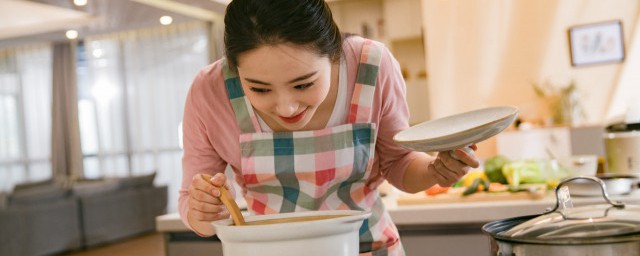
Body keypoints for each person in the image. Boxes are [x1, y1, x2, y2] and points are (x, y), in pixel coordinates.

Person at [179, 0, 479, 255]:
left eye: (303, 84)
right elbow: (193, 204)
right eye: (259, 89)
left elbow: (399, 163)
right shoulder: (209, 91)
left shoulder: (370, 66)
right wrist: (203, 210)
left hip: (364, 246)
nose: (286, 107)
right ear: (233, 67)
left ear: (335, 54)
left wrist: (436, 171)